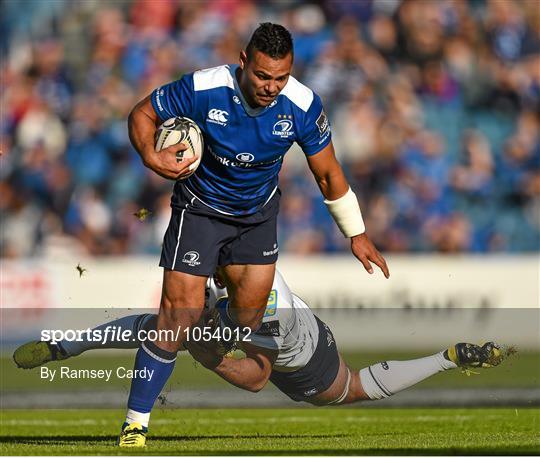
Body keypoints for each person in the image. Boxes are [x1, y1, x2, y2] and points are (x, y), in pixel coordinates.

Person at [124, 22, 389, 444]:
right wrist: (151, 157)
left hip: (257, 216)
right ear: (244, 62)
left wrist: (356, 233)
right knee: (177, 315)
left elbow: (327, 173)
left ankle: (202, 333)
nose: (270, 87)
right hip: (200, 209)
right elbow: (143, 113)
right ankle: (135, 424)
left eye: (280, 78)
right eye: (263, 76)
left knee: (248, 317)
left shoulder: (302, 105)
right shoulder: (205, 86)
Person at [13, 269, 504, 447]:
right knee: (168, 329)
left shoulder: (266, 313)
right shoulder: (242, 261)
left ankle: (445, 356)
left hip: (302, 356)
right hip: (266, 325)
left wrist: (213, 361)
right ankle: (66, 345)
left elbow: (256, 379)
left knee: (348, 389)